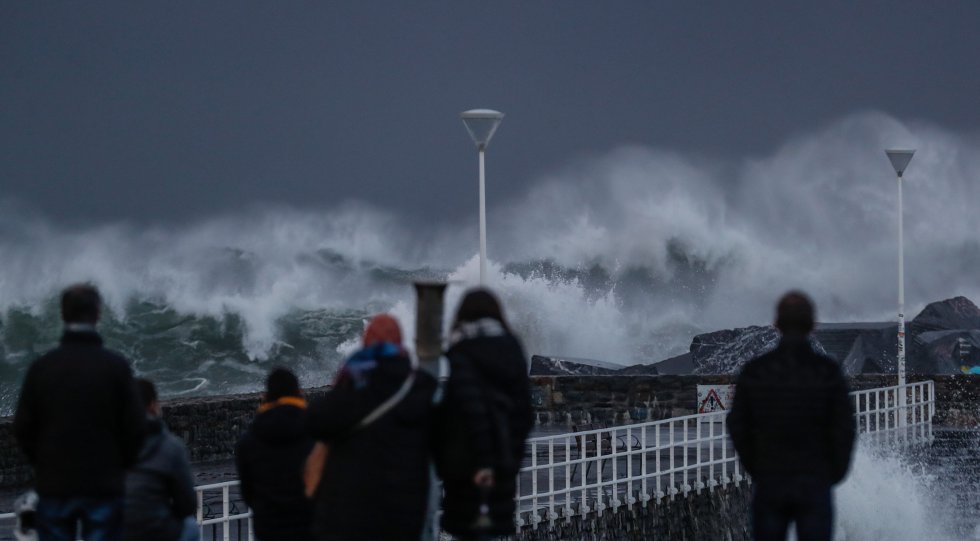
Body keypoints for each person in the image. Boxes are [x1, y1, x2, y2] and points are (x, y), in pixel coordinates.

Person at [14, 283, 145, 541]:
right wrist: (119, 465)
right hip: (104, 485)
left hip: (54, 484)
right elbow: (136, 427)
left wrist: (44, 462)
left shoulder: (43, 368)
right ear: (98, 315)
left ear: (63, 315)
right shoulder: (115, 367)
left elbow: (23, 427)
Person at [727, 291, 856, 541]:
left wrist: (756, 467)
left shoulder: (756, 371)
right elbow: (845, 427)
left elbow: (737, 424)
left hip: (770, 481)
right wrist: (833, 473)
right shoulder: (828, 371)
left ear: (777, 324)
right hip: (815, 481)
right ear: (812, 325)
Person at [306, 314, 436, 541]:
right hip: (403, 519)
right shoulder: (421, 388)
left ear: (367, 342)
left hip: (353, 517)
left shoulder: (357, 384)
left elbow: (316, 420)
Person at [435, 288, 533, 540]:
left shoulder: (464, 349)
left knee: (471, 531)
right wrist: (511, 459)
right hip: (503, 466)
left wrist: (480, 462)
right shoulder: (512, 347)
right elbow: (524, 413)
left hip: (469, 468)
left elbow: (470, 409)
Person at [235, 368, 314, 541]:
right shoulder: (317, 436)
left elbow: (248, 493)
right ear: (299, 393)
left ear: (266, 396)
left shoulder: (247, 442)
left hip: (268, 529)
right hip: (309, 528)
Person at [124, 379, 198, 541]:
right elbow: (187, 503)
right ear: (152, 405)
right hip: (156, 531)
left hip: (112, 530)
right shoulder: (169, 446)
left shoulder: (105, 444)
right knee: (191, 525)